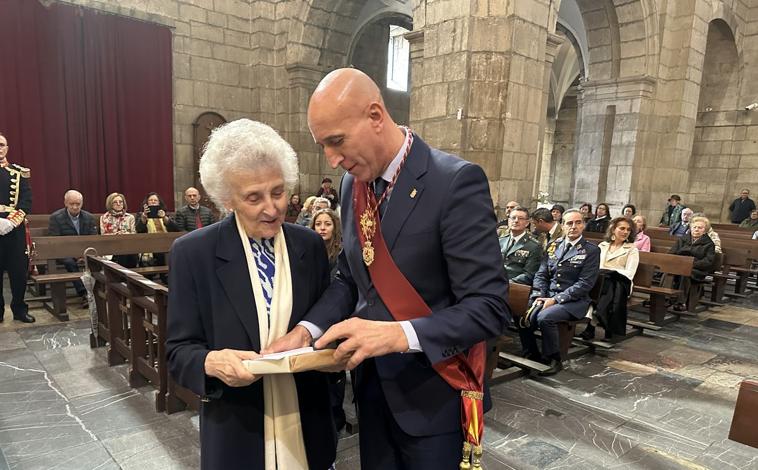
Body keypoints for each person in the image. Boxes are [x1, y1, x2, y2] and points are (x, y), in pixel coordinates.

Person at [263, 68, 510, 470]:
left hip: (435, 396)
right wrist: (306, 331)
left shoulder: (454, 183)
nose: (333, 159)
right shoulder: (352, 185)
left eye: (337, 141)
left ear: (376, 116)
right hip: (372, 390)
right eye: (323, 145)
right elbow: (348, 275)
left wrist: (397, 334)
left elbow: (489, 307)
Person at [165, 119, 337, 469]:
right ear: (227, 199)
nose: (272, 208)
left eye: (278, 192)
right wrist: (210, 362)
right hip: (237, 428)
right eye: (254, 197)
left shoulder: (308, 245)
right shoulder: (193, 252)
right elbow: (178, 352)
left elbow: (327, 310)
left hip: (308, 420)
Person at [519, 209, 600, 375]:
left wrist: (555, 300)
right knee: (523, 311)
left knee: (544, 317)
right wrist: (539, 295)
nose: (574, 227)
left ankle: (554, 359)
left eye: (578, 222)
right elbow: (541, 274)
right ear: (562, 226)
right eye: (569, 223)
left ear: (583, 225)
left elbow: (585, 284)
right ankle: (531, 353)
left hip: (574, 301)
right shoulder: (553, 245)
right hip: (548, 296)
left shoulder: (591, 250)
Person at [310, 207, 347, 433]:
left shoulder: (341, 254)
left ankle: (336, 416)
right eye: (318, 224)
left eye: (327, 224)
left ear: (335, 227)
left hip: (335, 320)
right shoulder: (308, 250)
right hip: (312, 319)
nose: (322, 228)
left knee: (334, 371)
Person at [581, 217, 639, 340]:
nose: (625, 232)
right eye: (622, 228)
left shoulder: (632, 249)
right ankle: (601, 325)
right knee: (599, 285)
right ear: (613, 229)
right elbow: (596, 266)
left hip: (621, 283)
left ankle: (591, 327)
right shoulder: (603, 245)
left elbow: (629, 273)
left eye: (628, 230)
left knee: (605, 287)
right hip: (601, 280)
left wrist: (610, 271)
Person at [0, 132, 34, 323]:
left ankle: (20, 310)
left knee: (18, 272)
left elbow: (26, 201)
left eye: (2, 145)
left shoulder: (20, 172)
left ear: (7, 148)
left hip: (14, 229)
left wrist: (11, 222)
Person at [48, 190, 98, 306]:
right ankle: (84, 294)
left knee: (97, 261)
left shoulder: (88, 217)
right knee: (70, 262)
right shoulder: (56, 217)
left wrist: (83, 255)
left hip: (85, 252)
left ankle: (98, 293)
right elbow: (55, 242)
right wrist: (74, 254)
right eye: (72, 204)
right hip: (64, 253)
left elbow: (93, 239)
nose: (75, 207)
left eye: (78, 204)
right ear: (65, 203)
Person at [668, 216, 715, 312]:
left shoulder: (709, 244)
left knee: (686, 273)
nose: (696, 229)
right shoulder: (683, 239)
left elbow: (708, 261)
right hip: (680, 266)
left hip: (697, 270)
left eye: (700, 228)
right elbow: (671, 253)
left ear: (705, 230)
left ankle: (680, 302)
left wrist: (690, 264)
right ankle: (665, 297)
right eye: (695, 227)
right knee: (667, 271)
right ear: (690, 228)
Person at [499, 206, 542, 285]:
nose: (516, 221)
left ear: (527, 223)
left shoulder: (534, 246)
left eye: (520, 218)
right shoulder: (500, 241)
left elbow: (529, 274)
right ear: (508, 221)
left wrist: (508, 283)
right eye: (513, 218)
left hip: (515, 287)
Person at [136, 192, 179, 267]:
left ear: (159, 203)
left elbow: (176, 229)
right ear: (146, 203)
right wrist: (144, 217)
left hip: (165, 244)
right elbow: (139, 230)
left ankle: (165, 275)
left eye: (155, 200)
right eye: (150, 200)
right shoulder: (141, 215)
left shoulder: (165, 214)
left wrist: (164, 217)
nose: (153, 202)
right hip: (148, 245)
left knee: (164, 253)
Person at [100, 192, 139, 268]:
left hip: (128, 246)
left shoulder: (130, 217)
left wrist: (125, 235)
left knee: (128, 252)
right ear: (110, 204)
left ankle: (130, 277)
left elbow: (134, 234)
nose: (118, 204)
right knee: (121, 253)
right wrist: (116, 236)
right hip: (111, 247)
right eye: (115, 202)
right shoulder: (104, 218)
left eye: (120, 202)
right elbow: (103, 235)